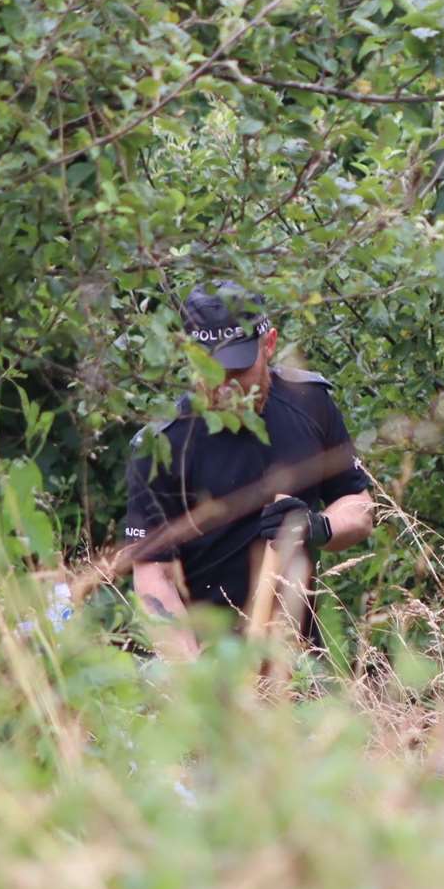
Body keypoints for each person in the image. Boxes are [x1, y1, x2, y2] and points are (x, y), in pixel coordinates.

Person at [122, 282, 374, 658]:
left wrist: (319, 527)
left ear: (268, 344)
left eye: (238, 369)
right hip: (200, 659)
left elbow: (359, 506)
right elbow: (153, 576)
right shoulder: (160, 445)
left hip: (295, 661)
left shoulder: (310, 403)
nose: (225, 386)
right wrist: (195, 684)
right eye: (209, 368)